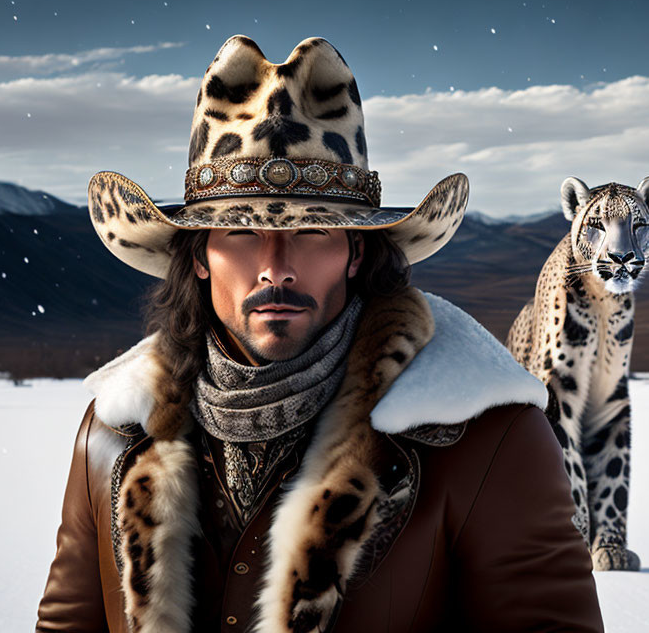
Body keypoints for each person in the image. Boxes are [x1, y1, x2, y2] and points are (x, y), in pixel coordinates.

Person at [36, 35, 604, 633]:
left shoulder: (486, 437)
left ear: (357, 253)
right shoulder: (113, 433)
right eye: (241, 232)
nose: (275, 266)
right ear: (199, 255)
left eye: (312, 232)